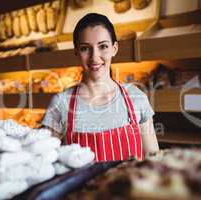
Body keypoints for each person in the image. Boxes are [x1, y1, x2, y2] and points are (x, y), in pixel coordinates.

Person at [42, 13, 159, 162]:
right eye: (85, 48)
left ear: (114, 48)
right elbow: (43, 161)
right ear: (76, 51)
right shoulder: (61, 103)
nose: (94, 57)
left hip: (133, 184)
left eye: (103, 46)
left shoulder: (136, 97)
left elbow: (154, 161)